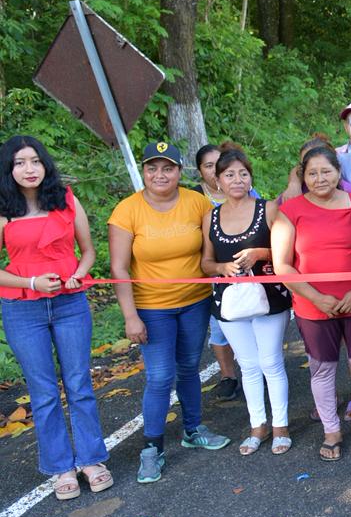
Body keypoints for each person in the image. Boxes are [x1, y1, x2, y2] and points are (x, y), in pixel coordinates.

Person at [109, 142, 230, 483]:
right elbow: (118, 268)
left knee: (189, 367)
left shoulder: (198, 202)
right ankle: (152, 448)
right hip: (151, 307)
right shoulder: (127, 210)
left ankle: (192, 429)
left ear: (179, 172)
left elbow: (215, 245)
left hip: (194, 301)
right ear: (144, 171)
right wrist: (130, 316)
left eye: (168, 168)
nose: (159, 175)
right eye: (152, 168)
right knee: (160, 376)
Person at [0, 136, 111, 498]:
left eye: (35, 161)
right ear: (9, 168)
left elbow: (89, 251)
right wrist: (30, 281)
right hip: (22, 307)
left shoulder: (64, 198)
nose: (29, 169)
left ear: (45, 164)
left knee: (79, 383)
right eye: (19, 163)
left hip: (69, 302)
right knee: (43, 391)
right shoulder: (3, 208)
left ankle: (91, 460)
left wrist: (79, 272)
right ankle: (60, 467)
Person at [273, 145, 351, 462]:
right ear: (303, 177)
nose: (320, 178)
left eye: (326, 171)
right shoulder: (290, 210)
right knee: (323, 369)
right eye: (312, 173)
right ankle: (331, 430)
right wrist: (316, 296)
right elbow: (282, 265)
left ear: (339, 173)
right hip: (313, 307)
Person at [200, 148, 293, 456]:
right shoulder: (210, 217)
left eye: (243, 173)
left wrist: (260, 254)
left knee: (270, 362)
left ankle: (281, 426)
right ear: (217, 180)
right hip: (229, 300)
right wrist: (221, 269)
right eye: (229, 174)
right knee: (249, 365)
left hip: (269, 296)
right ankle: (258, 427)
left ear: (250, 176)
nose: (237, 180)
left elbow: (288, 251)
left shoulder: (268, 209)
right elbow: (206, 262)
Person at [193, 143, 242, 402]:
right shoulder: (195, 197)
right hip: (212, 273)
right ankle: (227, 376)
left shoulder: (243, 188)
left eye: (218, 164)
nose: (214, 171)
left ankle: (252, 370)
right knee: (219, 326)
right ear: (200, 171)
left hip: (245, 272)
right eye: (208, 166)